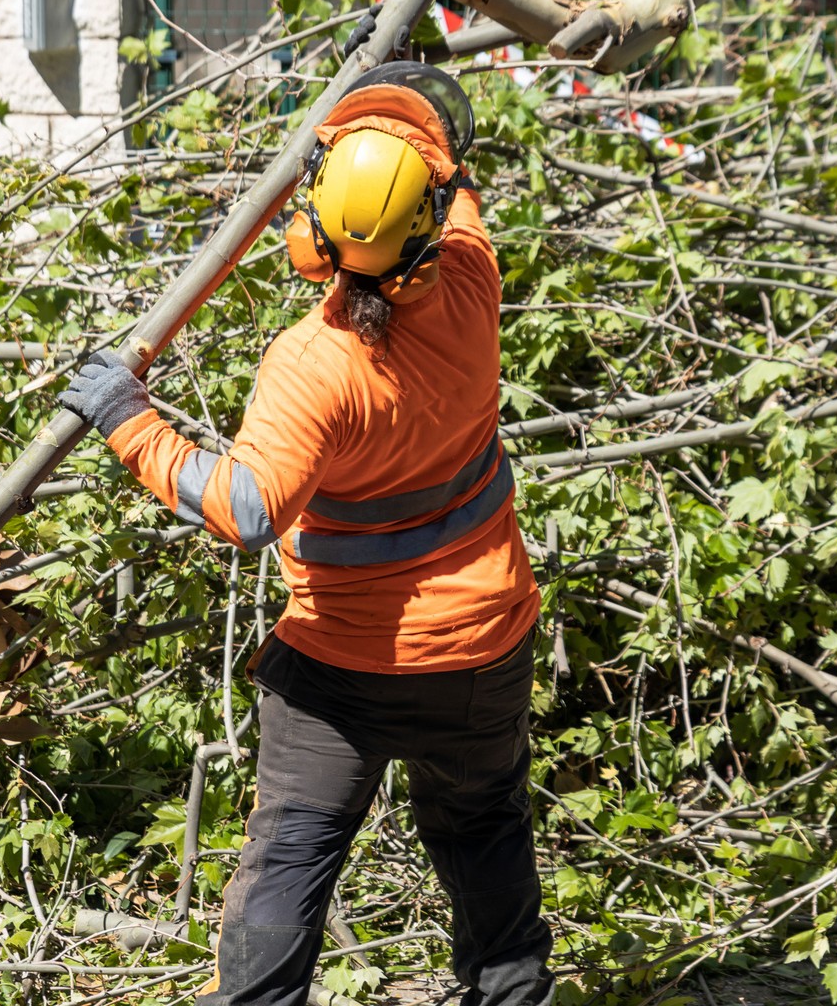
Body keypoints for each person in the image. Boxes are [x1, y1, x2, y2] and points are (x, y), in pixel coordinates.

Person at [58, 62, 553, 1006]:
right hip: (485, 648)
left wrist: (131, 422)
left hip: (347, 669)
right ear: (430, 227)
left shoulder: (314, 364)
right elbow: (453, 182)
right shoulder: (474, 284)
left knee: (290, 853)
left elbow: (246, 509)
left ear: (309, 231)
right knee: (485, 828)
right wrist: (403, 94)